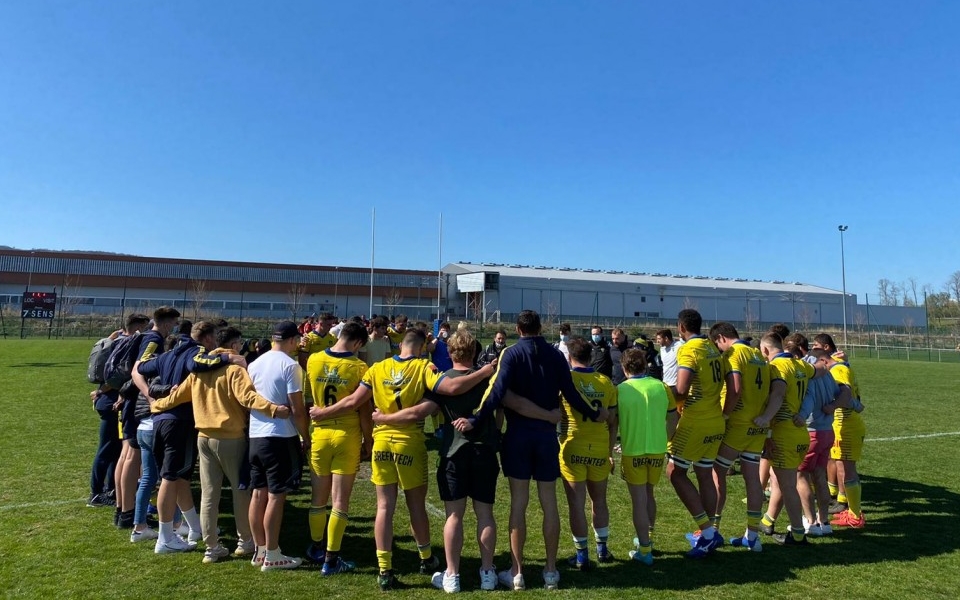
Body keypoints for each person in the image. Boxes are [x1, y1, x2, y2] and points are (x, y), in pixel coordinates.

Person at [310, 328, 495, 591]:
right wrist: (485, 371)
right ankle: (426, 557)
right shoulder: (423, 367)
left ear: (400, 346)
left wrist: (322, 412)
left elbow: (353, 400)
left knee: (384, 507)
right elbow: (452, 387)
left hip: (382, 443)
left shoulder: (377, 368)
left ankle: (385, 569)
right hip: (409, 443)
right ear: (421, 347)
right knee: (416, 505)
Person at [455, 310, 608, 591]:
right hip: (546, 438)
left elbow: (496, 391)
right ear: (540, 328)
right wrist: (591, 412)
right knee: (549, 503)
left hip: (518, 437)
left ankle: (517, 573)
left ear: (518, 328)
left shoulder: (511, 354)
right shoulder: (556, 356)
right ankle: (550, 572)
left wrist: (476, 418)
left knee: (519, 504)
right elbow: (572, 394)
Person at [150, 326, 289, 563]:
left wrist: (156, 406)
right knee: (240, 491)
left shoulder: (199, 370)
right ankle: (245, 541)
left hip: (203, 436)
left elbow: (178, 396)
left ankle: (211, 546)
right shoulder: (234, 369)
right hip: (230, 437)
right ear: (234, 346)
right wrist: (274, 409)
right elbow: (248, 397)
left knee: (208, 495)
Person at [395, 329, 501, 592]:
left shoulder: (441, 381)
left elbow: (422, 411)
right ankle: (487, 572)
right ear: (475, 352)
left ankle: (452, 575)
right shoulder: (487, 379)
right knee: (485, 515)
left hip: (453, 453)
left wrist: (385, 417)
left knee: (454, 515)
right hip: (484, 452)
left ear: (450, 352)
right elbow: (500, 411)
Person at [304, 321, 371, 575]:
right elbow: (363, 408)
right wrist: (368, 439)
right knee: (340, 501)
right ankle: (331, 560)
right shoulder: (359, 367)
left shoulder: (313, 360)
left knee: (318, 499)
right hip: (346, 435)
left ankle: (316, 546)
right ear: (357, 343)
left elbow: (310, 396)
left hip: (319, 434)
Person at [247, 321, 310, 571]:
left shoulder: (255, 363)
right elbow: (297, 408)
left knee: (258, 493)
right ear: (292, 340)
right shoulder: (291, 365)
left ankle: (261, 550)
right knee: (276, 496)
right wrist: (305, 436)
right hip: (279, 438)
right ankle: (272, 553)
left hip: (256, 436)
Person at [113, 306, 181, 530]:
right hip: (137, 402)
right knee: (132, 457)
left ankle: (123, 509)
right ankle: (128, 512)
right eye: (173, 324)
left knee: (126, 454)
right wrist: (149, 395)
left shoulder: (145, 336)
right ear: (165, 322)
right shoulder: (153, 339)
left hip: (131, 400)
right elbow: (139, 369)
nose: (173, 328)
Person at [707, 322, 769, 552]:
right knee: (752, 478)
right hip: (758, 426)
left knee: (716, 472)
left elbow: (735, 388)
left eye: (717, 345)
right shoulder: (757, 354)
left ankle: (712, 531)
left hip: (738, 424)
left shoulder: (734, 354)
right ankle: (752, 536)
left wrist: (724, 415)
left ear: (722, 338)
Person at [668, 309, 726, 558]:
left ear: (681, 327)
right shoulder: (713, 347)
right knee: (704, 473)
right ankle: (710, 530)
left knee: (675, 473)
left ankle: (708, 534)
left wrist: (659, 394)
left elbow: (681, 390)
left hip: (695, 422)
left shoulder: (689, 349)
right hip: (715, 419)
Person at [558, 337, 618, 570]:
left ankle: (582, 555)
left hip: (573, 447)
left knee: (576, 504)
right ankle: (602, 549)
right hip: (599, 447)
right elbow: (612, 420)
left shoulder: (566, 380)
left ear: (569, 357)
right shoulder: (605, 382)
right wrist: (610, 449)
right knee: (599, 500)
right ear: (591, 357)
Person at [616, 348, 678, 565]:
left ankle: (644, 550)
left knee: (639, 499)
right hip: (657, 449)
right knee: (649, 494)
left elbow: (613, 420)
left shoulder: (621, 389)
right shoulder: (661, 387)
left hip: (633, 450)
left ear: (624, 369)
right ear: (645, 365)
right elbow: (673, 418)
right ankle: (647, 540)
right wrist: (666, 438)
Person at [755, 333, 816, 545]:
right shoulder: (800, 365)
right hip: (799, 433)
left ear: (764, 350)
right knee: (779, 479)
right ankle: (768, 521)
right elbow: (821, 370)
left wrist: (765, 418)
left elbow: (778, 394)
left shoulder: (777, 368)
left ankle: (798, 534)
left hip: (785, 435)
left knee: (788, 485)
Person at [88, 313, 149, 509]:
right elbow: (115, 378)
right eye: (145, 327)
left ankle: (110, 490)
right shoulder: (126, 344)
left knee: (115, 449)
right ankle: (96, 493)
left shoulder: (118, 339)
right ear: (138, 327)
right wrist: (100, 391)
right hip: (111, 403)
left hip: (109, 402)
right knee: (107, 449)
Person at [817, 349, 867, 529]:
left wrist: (832, 406)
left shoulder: (837, 370)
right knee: (844, 467)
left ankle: (855, 515)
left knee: (848, 470)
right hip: (843, 425)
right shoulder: (841, 367)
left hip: (847, 426)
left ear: (823, 360)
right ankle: (853, 511)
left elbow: (845, 395)